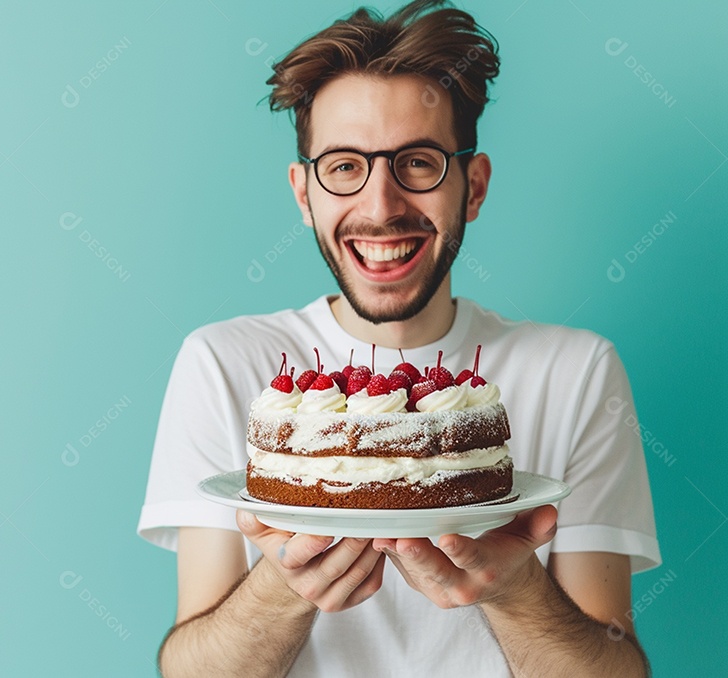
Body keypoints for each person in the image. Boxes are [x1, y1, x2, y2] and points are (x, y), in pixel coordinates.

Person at [137, 1, 660, 675]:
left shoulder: (578, 370)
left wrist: (515, 588)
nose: (381, 208)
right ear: (304, 194)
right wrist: (281, 587)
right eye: (345, 167)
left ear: (473, 187)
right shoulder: (224, 363)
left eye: (417, 162)